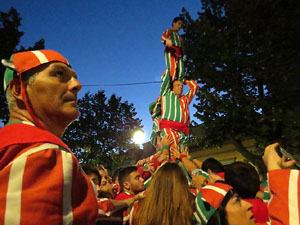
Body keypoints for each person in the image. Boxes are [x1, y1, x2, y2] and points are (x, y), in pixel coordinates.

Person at [0, 50, 114, 224]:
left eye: (74, 77)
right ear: (18, 89)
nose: (77, 85)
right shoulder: (40, 152)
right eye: (59, 74)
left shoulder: (14, 146)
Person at [154, 69, 199, 160]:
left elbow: (195, 86)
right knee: (173, 155)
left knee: (184, 155)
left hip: (183, 131)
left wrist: (184, 80)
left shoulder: (185, 99)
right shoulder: (166, 94)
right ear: (172, 87)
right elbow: (166, 76)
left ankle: (184, 173)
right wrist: (174, 71)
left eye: (182, 86)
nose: (181, 87)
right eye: (178, 85)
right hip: (169, 129)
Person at [161, 17, 184, 82]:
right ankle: (170, 84)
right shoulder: (169, 31)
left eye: (181, 25)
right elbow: (163, 39)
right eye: (178, 23)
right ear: (174, 23)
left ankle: (178, 86)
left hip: (179, 54)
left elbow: (182, 47)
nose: (180, 26)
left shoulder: (180, 37)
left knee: (181, 71)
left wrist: (182, 55)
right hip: (171, 51)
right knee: (172, 68)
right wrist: (167, 42)